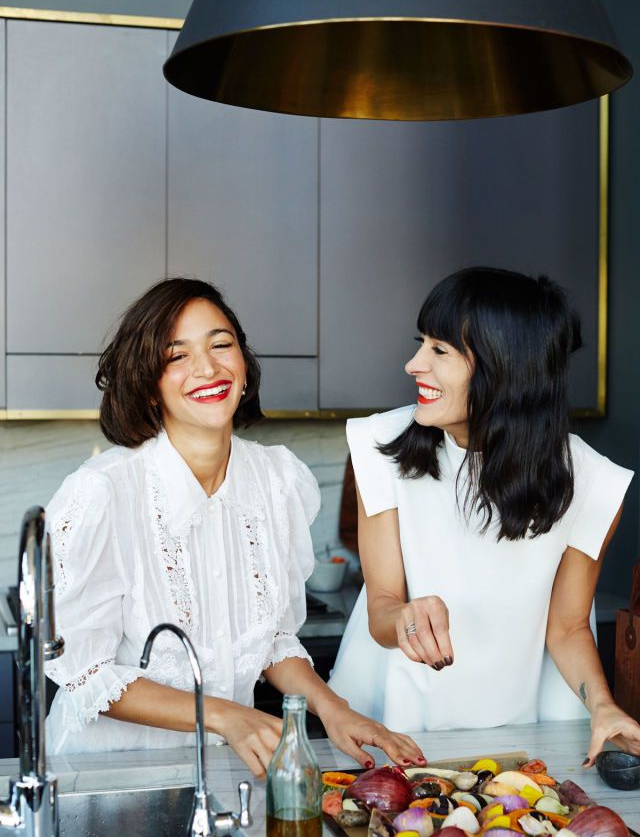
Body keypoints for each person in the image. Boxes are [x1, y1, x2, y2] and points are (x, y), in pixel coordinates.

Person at [44, 278, 426, 777]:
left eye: (221, 344)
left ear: (244, 366)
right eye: (176, 355)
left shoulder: (278, 482)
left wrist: (335, 709)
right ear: (148, 384)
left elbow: (271, 641)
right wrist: (226, 716)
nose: (207, 368)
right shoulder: (102, 493)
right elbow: (85, 674)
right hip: (106, 778)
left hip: (219, 774)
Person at [329, 267, 640, 766]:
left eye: (439, 351)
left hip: (521, 728)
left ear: (505, 369)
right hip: (395, 724)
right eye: (421, 343)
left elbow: (568, 627)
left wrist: (603, 706)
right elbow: (382, 604)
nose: (413, 364)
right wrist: (404, 619)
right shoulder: (379, 447)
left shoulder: (592, 482)